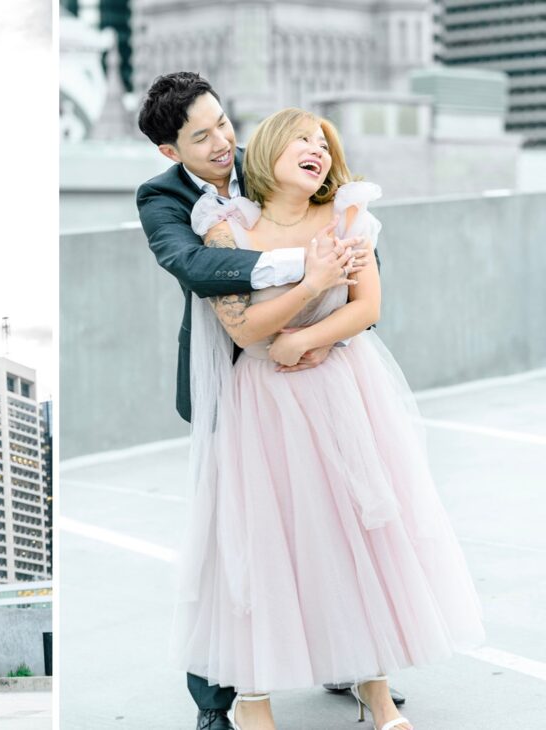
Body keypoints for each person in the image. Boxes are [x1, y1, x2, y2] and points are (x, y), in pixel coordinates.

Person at [177, 107, 485, 730]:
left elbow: (369, 304)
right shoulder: (227, 227)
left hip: (343, 390)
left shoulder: (346, 215)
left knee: (356, 536)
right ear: (269, 150)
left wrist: (310, 340)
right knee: (264, 542)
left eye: (324, 142)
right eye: (303, 139)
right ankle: (253, 698)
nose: (317, 149)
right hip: (263, 402)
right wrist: (304, 294)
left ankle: (376, 693)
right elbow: (238, 323)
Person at [136, 72, 377, 730]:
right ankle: (219, 701)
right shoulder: (159, 196)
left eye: (223, 122)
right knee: (232, 536)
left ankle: (342, 654)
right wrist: (303, 268)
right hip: (231, 376)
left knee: (328, 516)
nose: (223, 141)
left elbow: (349, 243)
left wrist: (324, 321)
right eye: (201, 135)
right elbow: (192, 265)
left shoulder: (270, 157)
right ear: (169, 151)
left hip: (315, 375)